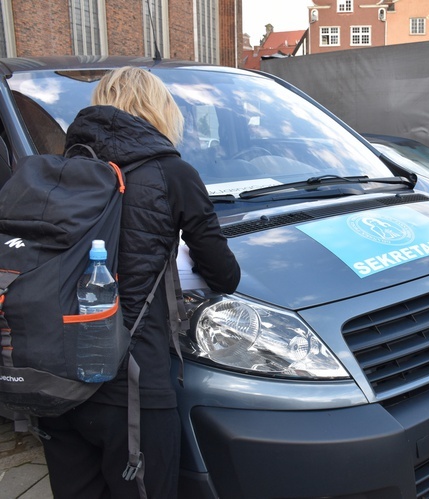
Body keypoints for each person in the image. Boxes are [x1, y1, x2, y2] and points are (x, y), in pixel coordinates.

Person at [38, 67, 241, 497]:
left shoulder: (58, 170)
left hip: (54, 378)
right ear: (160, 111)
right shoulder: (171, 172)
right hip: (131, 382)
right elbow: (225, 274)